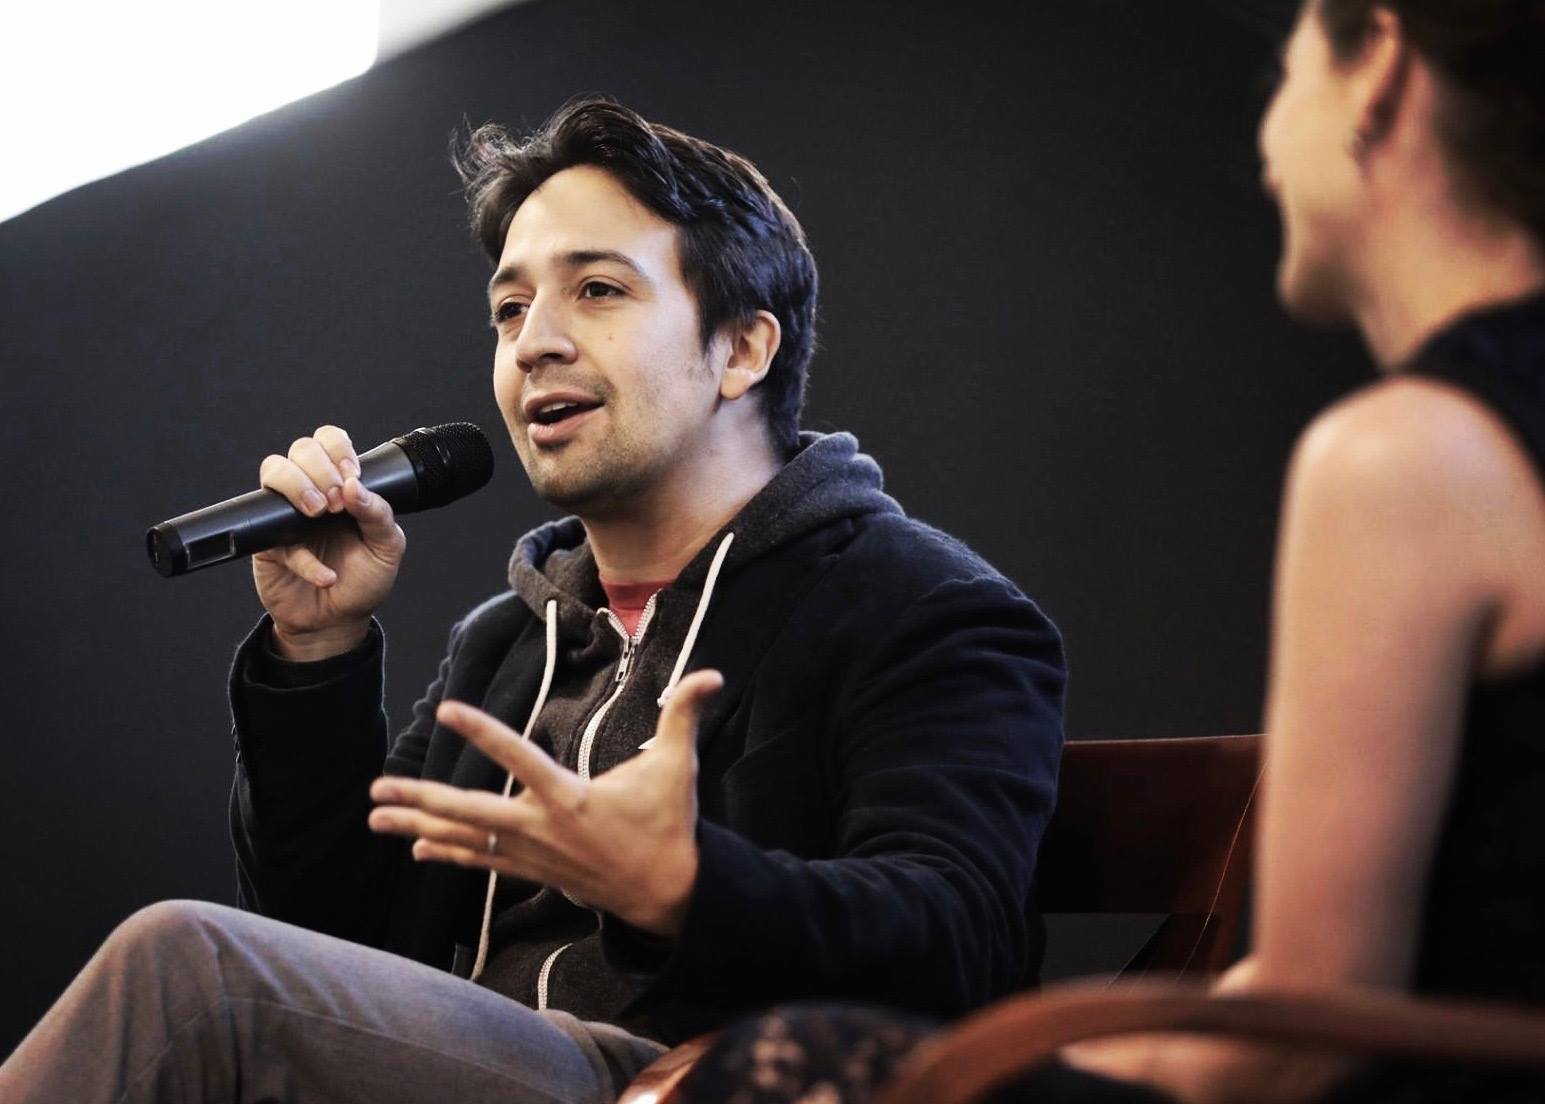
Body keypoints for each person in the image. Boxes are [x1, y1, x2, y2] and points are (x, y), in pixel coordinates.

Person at [0, 99, 1065, 1103]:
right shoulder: (508, 640)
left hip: (685, 1079)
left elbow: (960, 939)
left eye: (596, 290)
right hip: (467, 1065)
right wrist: (315, 649)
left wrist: (688, 888)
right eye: (511, 307)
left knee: (192, 973)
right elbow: (331, 938)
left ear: (742, 346)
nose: (533, 342)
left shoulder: (924, 609)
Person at [677, 1, 1545, 1101]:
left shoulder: (1412, 457)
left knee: (784, 1070)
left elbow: (1303, 1034)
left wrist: (979, 1068)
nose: (1270, 135)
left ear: (1375, 67)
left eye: (1290, 71)